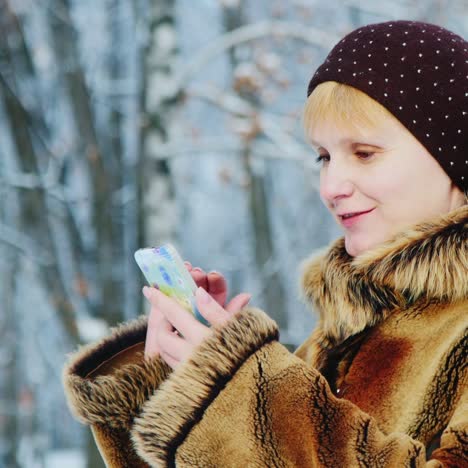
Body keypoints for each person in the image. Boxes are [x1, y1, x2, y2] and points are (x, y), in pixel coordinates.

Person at [63, 20, 467, 467]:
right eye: (324, 157)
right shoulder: (338, 336)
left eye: (364, 153)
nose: (331, 185)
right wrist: (185, 389)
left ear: (451, 158)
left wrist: (248, 391)